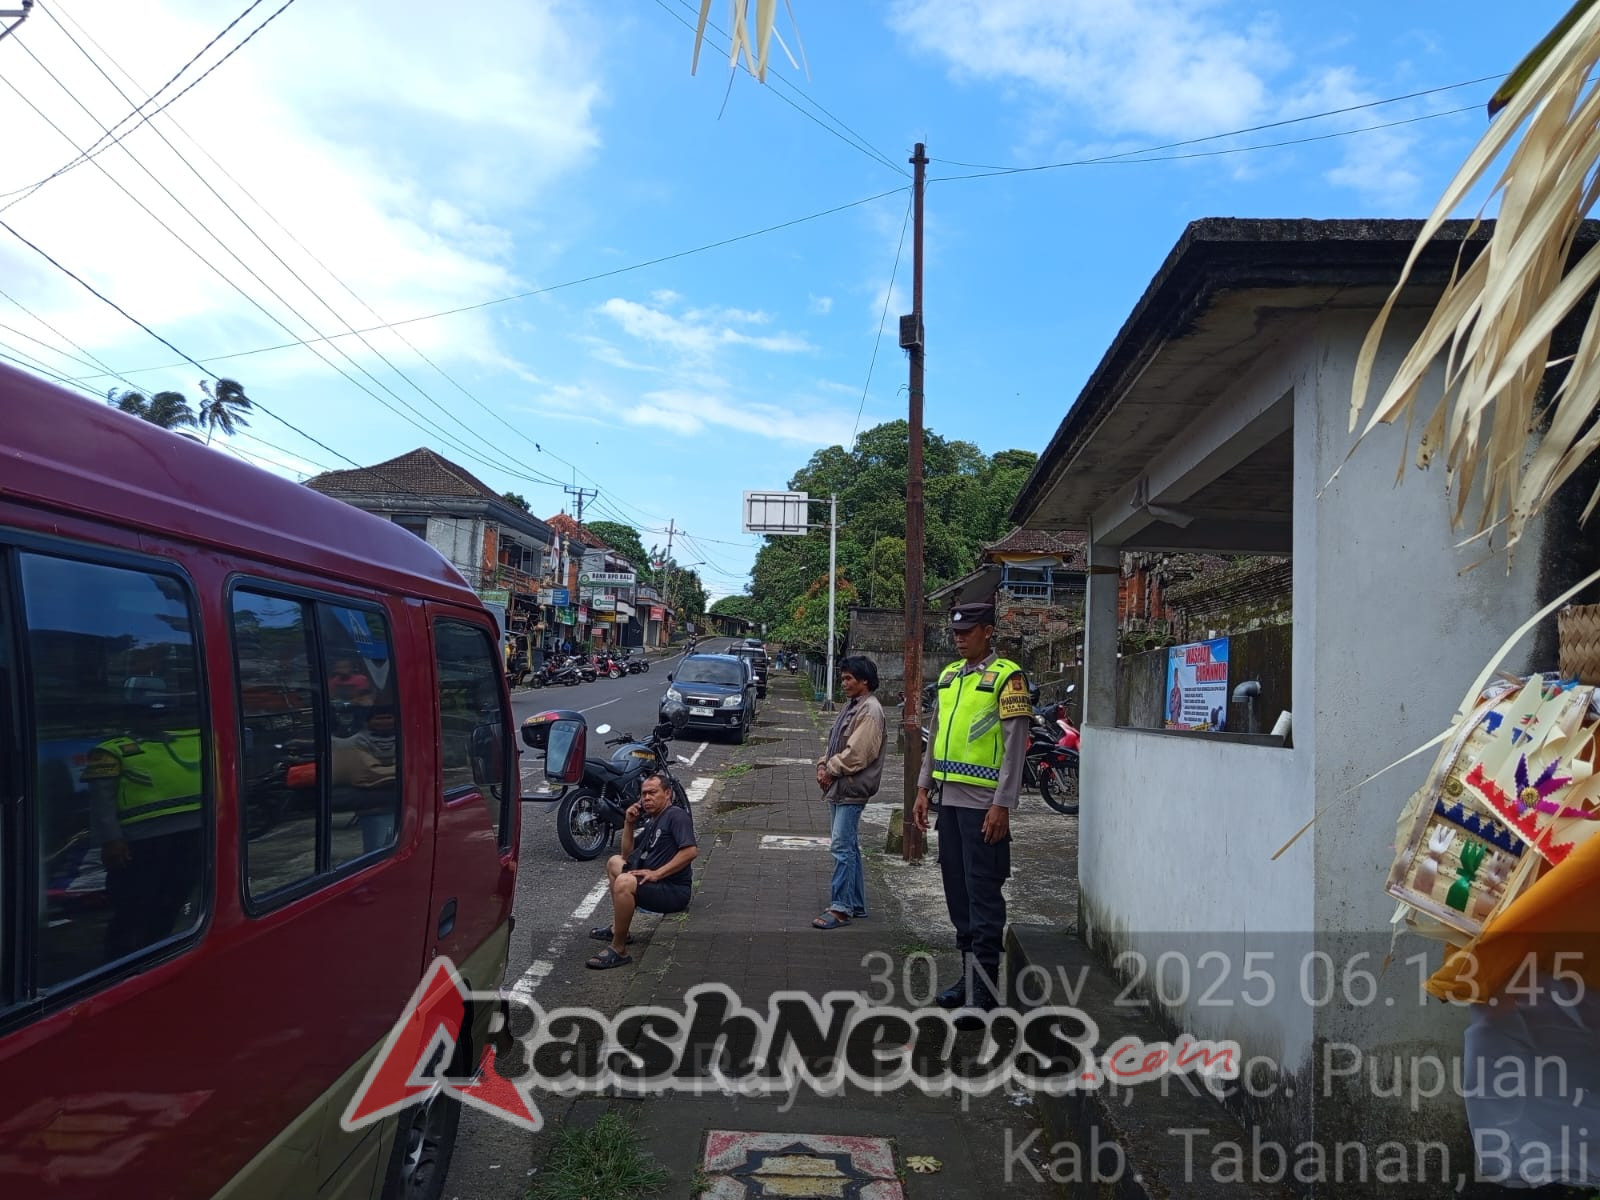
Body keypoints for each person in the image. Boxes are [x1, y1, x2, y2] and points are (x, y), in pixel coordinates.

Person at [912, 601, 1030, 1022]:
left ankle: (982, 995)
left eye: (968, 631)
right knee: (958, 897)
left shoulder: (1007, 677)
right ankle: (968, 981)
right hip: (950, 804)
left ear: (988, 632)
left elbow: (1016, 747)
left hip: (984, 808)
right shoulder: (948, 678)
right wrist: (924, 788)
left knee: (983, 898)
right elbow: (937, 735)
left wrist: (1003, 804)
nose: (959, 638)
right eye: (956, 632)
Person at [85, 695, 206, 962]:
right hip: (140, 841)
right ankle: (119, 961)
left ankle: (157, 949)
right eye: (150, 716)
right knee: (134, 903)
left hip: (190, 833)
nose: (156, 721)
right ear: (133, 719)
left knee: (176, 893)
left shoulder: (187, 740)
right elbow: (101, 803)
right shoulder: (111, 751)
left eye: (161, 716)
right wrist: (111, 840)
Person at [586, 773, 697, 968]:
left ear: (668, 793)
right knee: (615, 862)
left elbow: (690, 851)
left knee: (624, 882)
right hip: (654, 882)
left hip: (673, 891)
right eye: (644, 794)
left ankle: (618, 949)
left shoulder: (676, 816)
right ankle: (619, 930)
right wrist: (628, 823)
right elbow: (627, 855)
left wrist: (657, 873)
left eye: (652, 793)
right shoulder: (654, 819)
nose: (646, 798)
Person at [813, 656, 886, 929]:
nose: (844, 683)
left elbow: (858, 753)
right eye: (843, 678)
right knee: (849, 846)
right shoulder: (852, 707)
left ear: (864, 681)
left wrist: (830, 768)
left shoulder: (870, 710)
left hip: (852, 787)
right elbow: (835, 743)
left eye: (849, 679)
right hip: (841, 787)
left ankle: (841, 907)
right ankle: (856, 903)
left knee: (841, 846)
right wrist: (823, 764)